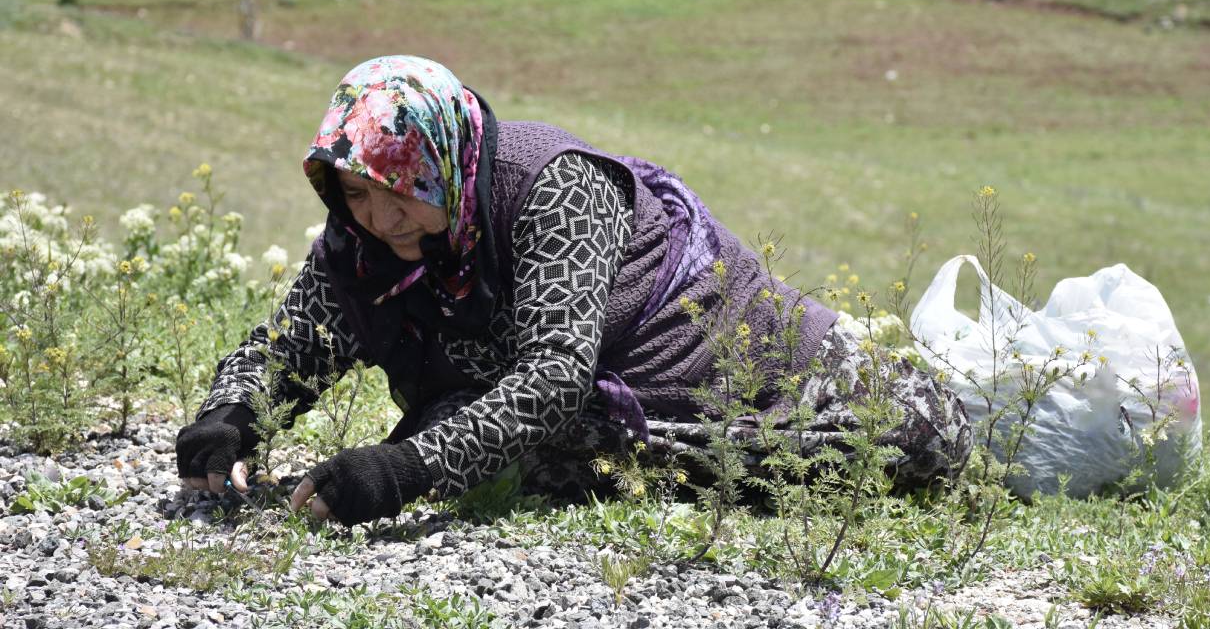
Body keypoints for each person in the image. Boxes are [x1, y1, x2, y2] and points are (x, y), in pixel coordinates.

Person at [175, 56, 971, 526]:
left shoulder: (552, 186)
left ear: (446, 163)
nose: (380, 218)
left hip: (765, 379)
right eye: (355, 194)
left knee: (926, 441)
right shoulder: (364, 235)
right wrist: (230, 417)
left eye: (401, 189)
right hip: (601, 417)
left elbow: (551, 379)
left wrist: (396, 473)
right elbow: (295, 343)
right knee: (525, 454)